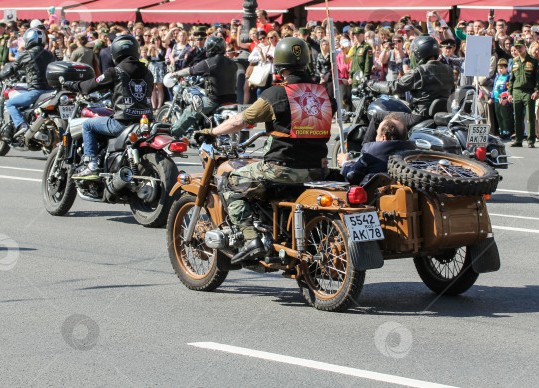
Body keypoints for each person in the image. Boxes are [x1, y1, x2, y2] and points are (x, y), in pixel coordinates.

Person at [195, 37, 330, 264]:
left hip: (282, 168)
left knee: (229, 181)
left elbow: (240, 120)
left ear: (279, 65)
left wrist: (212, 132)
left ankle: (251, 238)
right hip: (317, 170)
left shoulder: (277, 94)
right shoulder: (323, 93)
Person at [63, 35, 154, 180]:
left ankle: (91, 165)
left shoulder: (115, 71)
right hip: (146, 123)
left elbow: (91, 85)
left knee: (87, 125)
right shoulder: (148, 72)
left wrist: (74, 85)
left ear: (115, 52)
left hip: (123, 122)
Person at [168, 36, 237, 138]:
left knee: (189, 112)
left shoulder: (209, 63)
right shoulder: (232, 62)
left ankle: (173, 133)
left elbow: (190, 70)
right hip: (231, 99)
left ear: (210, 48)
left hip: (214, 100)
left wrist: (175, 74)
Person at [367, 35, 454, 117]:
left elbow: (393, 87)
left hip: (420, 115)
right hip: (440, 114)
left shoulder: (420, 71)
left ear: (420, 53)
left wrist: (370, 83)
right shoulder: (448, 69)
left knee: (378, 116)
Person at [0, 28, 55, 138]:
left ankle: (22, 125)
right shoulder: (49, 54)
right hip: (50, 91)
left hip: (36, 91)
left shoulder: (27, 54)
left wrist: (0, 75)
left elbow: (12, 68)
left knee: (10, 103)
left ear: (29, 40)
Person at [337, 113, 415, 186]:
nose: (375, 138)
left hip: (375, 198)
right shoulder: (412, 155)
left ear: (384, 137)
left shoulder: (371, 154)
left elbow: (352, 175)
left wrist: (344, 162)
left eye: (377, 134)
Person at [507, 39, 539, 148]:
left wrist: (537, 90)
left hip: (528, 91)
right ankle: (518, 139)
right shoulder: (515, 61)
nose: (518, 49)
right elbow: (511, 79)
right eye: (516, 48)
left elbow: (538, 78)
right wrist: (510, 93)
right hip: (517, 91)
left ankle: (531, 140)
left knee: (530, 117)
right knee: (517, 117)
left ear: (525, 46)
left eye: (520, 47)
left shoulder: (533, 61)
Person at [492, 59, 513, 140]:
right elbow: (494, 87)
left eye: (502, 68)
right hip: (496, 100)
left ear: (506, 68)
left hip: (503, 101)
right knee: (499, 116)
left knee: (505, 115)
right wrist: (492, 97)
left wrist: (505, 98)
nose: (500, 70)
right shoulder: (497, 77)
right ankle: (501, 130)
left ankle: (506, 131)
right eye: (499, 68)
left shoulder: (507, 77)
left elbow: (508, 89)